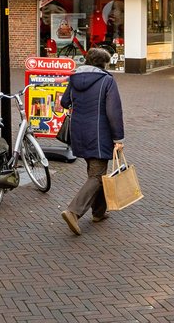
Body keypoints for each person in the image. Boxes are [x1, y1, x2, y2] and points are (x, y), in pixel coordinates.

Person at [58, 48, 125, 236]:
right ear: (103, 64)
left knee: (95, 172)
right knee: (96, 176)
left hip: (79, 132)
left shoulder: (74, 78)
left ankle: (98, 212)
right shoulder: (107, 81)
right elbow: (114, 111)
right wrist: (118, 138)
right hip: (99, 133)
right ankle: (74, 211)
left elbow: (65, 102)